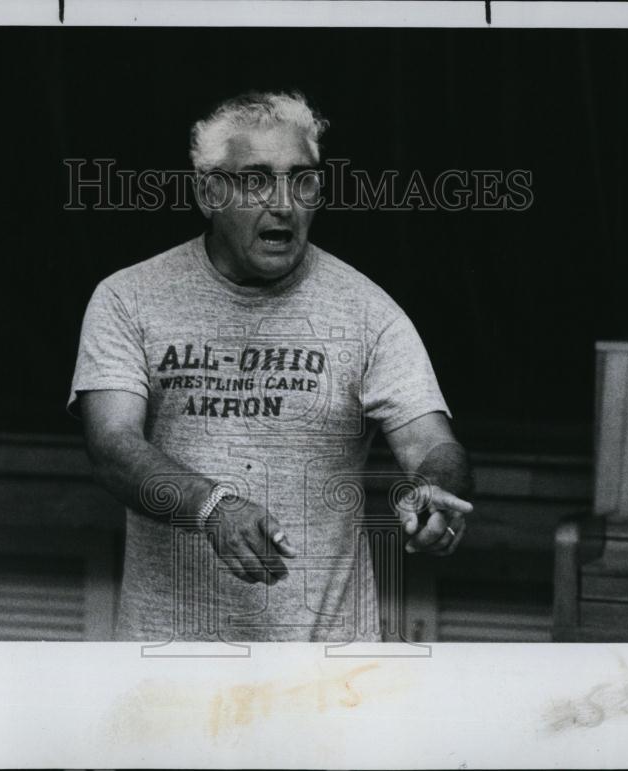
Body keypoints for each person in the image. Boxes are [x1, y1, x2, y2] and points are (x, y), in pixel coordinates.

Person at [69, 91, 473, 643]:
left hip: (325, 665)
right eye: (256, 179)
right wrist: (211, 507)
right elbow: (111, 446)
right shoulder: (128, 299)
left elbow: (433, 444)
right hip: (168, 659)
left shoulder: (367, 310)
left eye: (302, 180)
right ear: (210, 192)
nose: (283, 202)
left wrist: (434, 490)